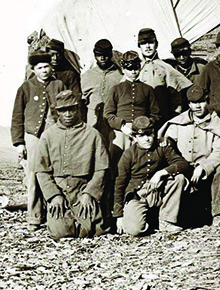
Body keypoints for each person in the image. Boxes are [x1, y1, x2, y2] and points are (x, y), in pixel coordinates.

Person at [159, 84, 220, 228]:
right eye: (193, 103)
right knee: (190, 216)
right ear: (189, 104)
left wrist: (204, 167)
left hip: (206, 172)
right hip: (184, 169)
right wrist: (167, 142)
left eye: (201, 102)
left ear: (207, 101)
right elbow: (169, 145)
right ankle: (167, 220)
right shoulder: (178, 122)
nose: (197, 106)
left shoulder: (215, 123)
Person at [35, 90, 111, 240]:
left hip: (83, 188)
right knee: (60, 233)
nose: (68, 114)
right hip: (59, 189)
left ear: (78, 109)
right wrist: (54, 195)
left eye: (71, 109)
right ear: (57, 112)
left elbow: (101, 169)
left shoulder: (92, 134)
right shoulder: (48, 136)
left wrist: (89, 193)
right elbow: (41, 171)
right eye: (63, 110)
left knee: (94, 231)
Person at [11, 50, 65, 231]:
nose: (44, 70)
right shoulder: (26, 87)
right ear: (33, 69)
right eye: (40, 68)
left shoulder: (59, 85)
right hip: (33, 137)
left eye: (47, 66)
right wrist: (19, 143)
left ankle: (54, 215)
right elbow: (17, 117)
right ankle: (34, 217)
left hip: (55, 136)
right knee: (33, 175)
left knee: (55, 175)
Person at [112, 116, 191, 236]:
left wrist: (161, 173)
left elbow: (183, 164)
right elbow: (119, 184)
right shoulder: (128, 155)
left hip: (158, 190)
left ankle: (166, 221)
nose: (147, 139)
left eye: (149, 135)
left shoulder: (162, 147)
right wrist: (119, 215)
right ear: (135, 137)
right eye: (141, 136)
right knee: (134, 230)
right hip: (138, 195)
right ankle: (151, 221)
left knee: (178, 178)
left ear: (154, 133)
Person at [104, 51, 161, 173]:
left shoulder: (148, 89)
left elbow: (156, 114)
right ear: (123, 69)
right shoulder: (116, 89)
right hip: (121, 130)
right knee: (116, 159)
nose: (133, 71)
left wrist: (145, 125)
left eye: (136, 68)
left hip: (143, 130)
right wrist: (122, 126)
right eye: (129, 69)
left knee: (141, 162)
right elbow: (108, 114)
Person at [137, 28, 192, 124]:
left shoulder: (165, 67)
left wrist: (174, 120)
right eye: (143, 44)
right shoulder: (136, 68)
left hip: (162, 118)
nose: (147, 47)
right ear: (139, 46)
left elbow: (176, 99)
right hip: (141, 119)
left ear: (156, 44)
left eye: (150, 43)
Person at [81, 39, 122, 143]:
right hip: (92, 122)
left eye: (105, 55)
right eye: (99, 55)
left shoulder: (120, 75)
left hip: (112, 121)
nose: (102, 58)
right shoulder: (86, 76)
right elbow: (82, 102)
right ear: (95, 55)